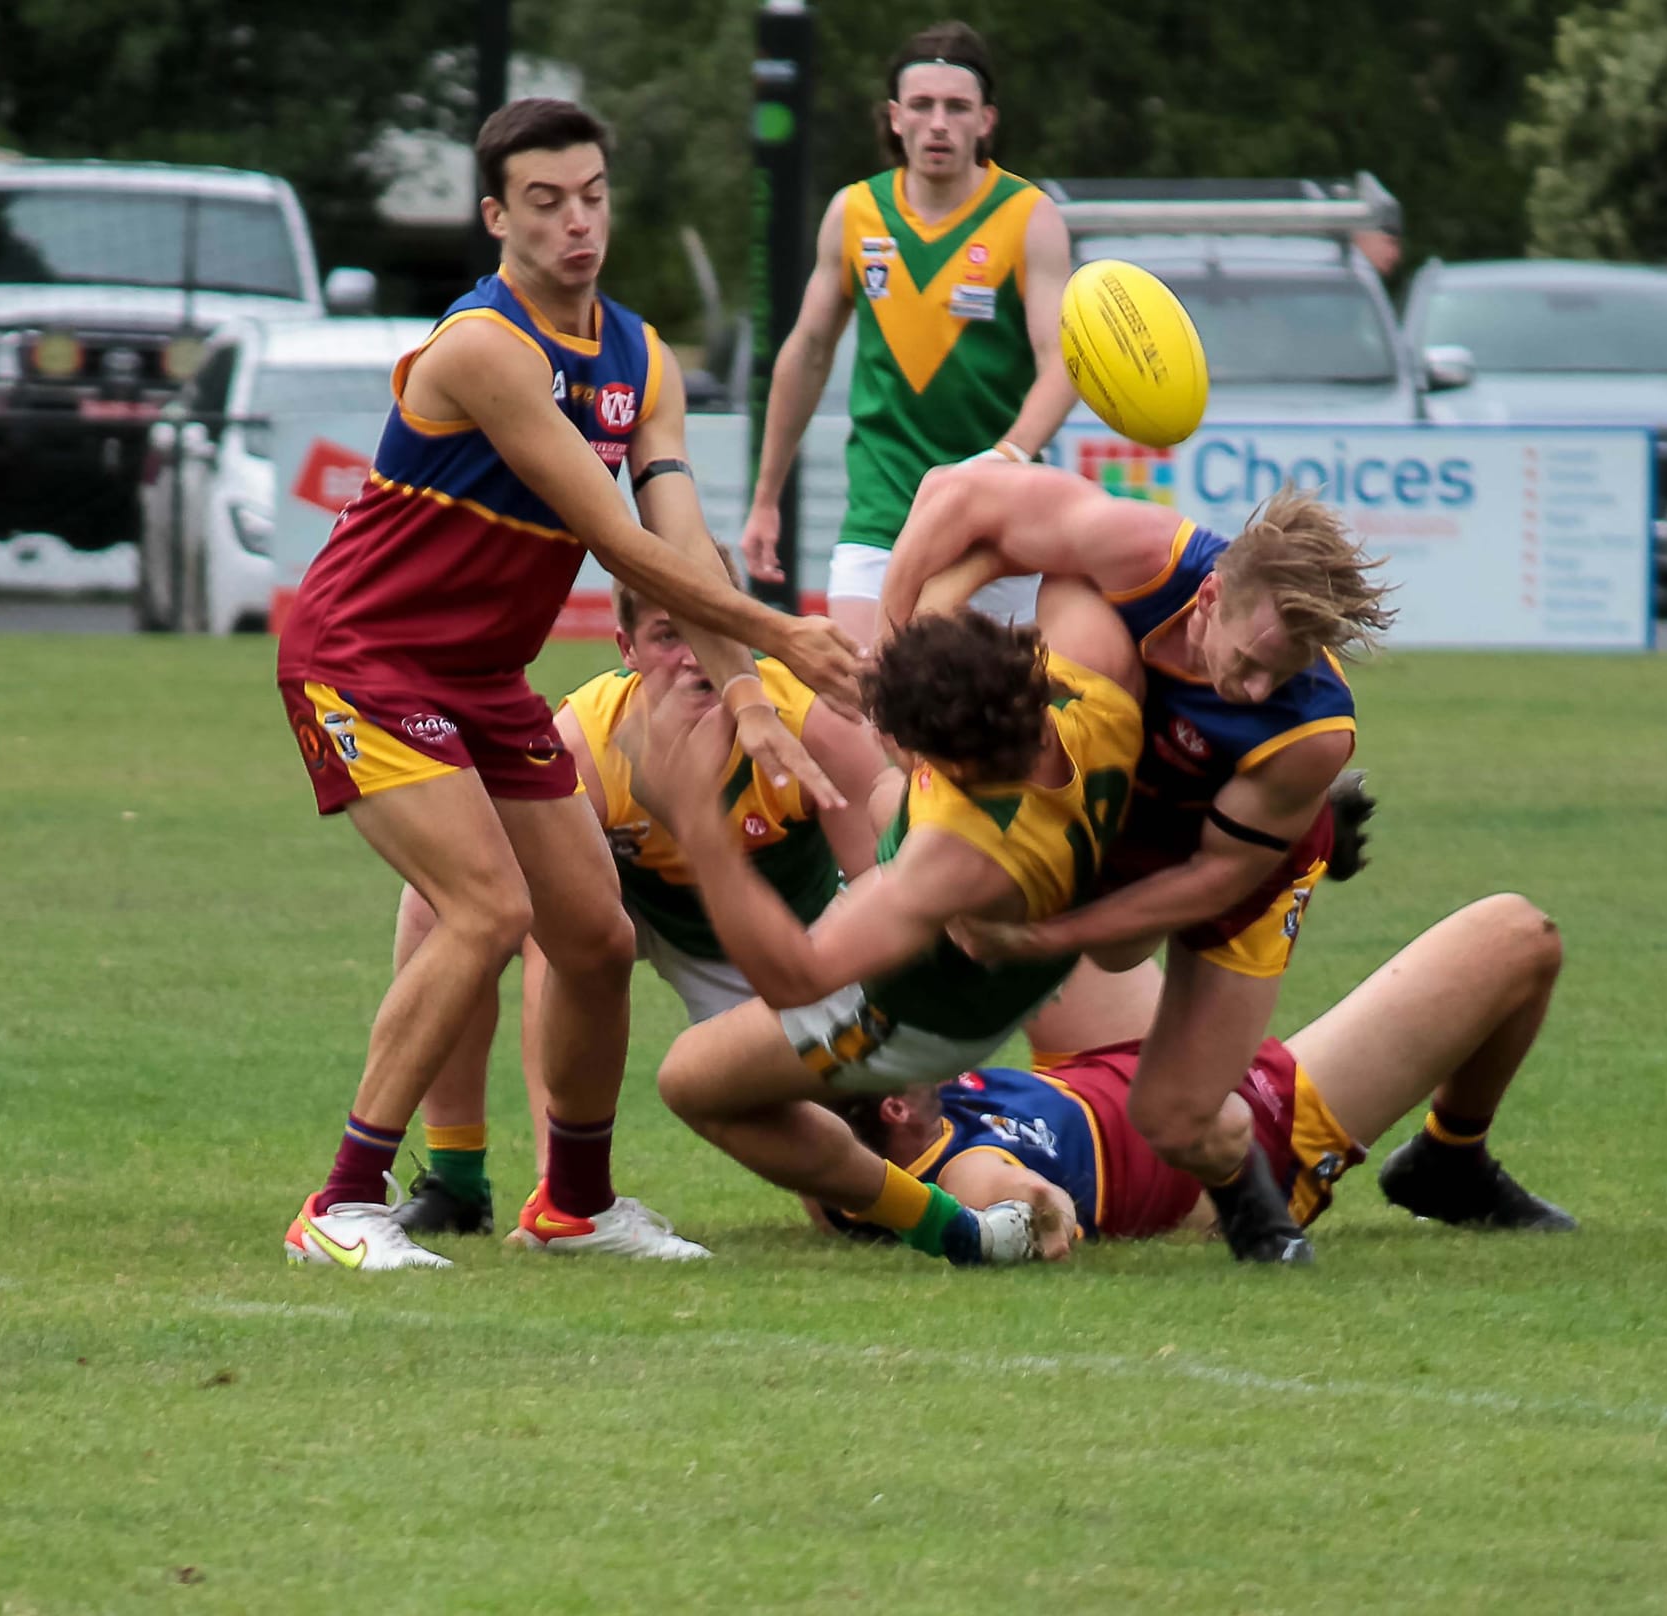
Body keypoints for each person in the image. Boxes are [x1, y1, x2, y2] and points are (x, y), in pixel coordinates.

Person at [277, 99, 861, 1272]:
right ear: (496, 216)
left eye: (591, 194)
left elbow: (682, 544)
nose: (576, 221)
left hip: (484, 677)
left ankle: (575, 1202)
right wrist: (782, 636)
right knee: (485, 911)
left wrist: (746, 693)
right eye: (544, 202)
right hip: (363, 658)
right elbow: (613, 540)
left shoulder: (639, 356)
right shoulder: (485, 347)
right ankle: (340, 1203)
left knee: (592, 938)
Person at [877, 464, 1395, 1264]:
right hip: (1130, 796)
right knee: (1070, 606)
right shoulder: (1144, 554)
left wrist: (1052, 941)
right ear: (1213, 597)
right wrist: (895, 658)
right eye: (1252, 661)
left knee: (1175, 1118)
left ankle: (1260, 1216)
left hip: (1239, 863)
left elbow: (1210, 883)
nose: (1258, 689)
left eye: (1283, 673)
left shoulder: (1310, 732)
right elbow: (955, 493)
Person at [629, 581, 1146, 1266]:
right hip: (1017, 952)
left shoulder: (957, 853)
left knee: (691, 1080)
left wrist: (698, 825)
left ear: (950, 765)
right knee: (883, 802)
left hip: (917, 1017)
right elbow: (1057, 556)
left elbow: (796, 978)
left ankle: (948, 1227)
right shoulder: (1097, 693)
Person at [390, 560, 893, 1245]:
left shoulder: (811, 719)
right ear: (626, 651)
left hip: (779, 945)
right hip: (634, 906)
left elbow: (884, 896)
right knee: (446, 903)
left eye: (712, 627)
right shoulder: (586, 741)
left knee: (865, 1183)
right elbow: (528, 897)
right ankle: (499, 1184)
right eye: (666, 636)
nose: (692, 658)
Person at [815, 893, 1577, 1249]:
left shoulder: (888, 1135)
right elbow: (1026, 1205)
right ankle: (1450, 1160)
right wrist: (1027, 1216)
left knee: (1021, 891)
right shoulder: (962, 1170)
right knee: (1517, 934)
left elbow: (814, 1162)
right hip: (1229, 1131)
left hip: (1100, 1064)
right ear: (892, 1110)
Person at [738, 20, 1079, 642]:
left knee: (984, 728)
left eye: (957, 107)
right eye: (922, 106)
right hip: (880, 519)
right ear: (895, 118)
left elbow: (1064, 361)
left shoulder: (1029, 217)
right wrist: (766, 497)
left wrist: (1006, 458)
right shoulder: (855, 212)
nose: (939, 123)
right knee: (870, 710)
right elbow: (807, 353)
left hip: (996, 527)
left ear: (987, 121)